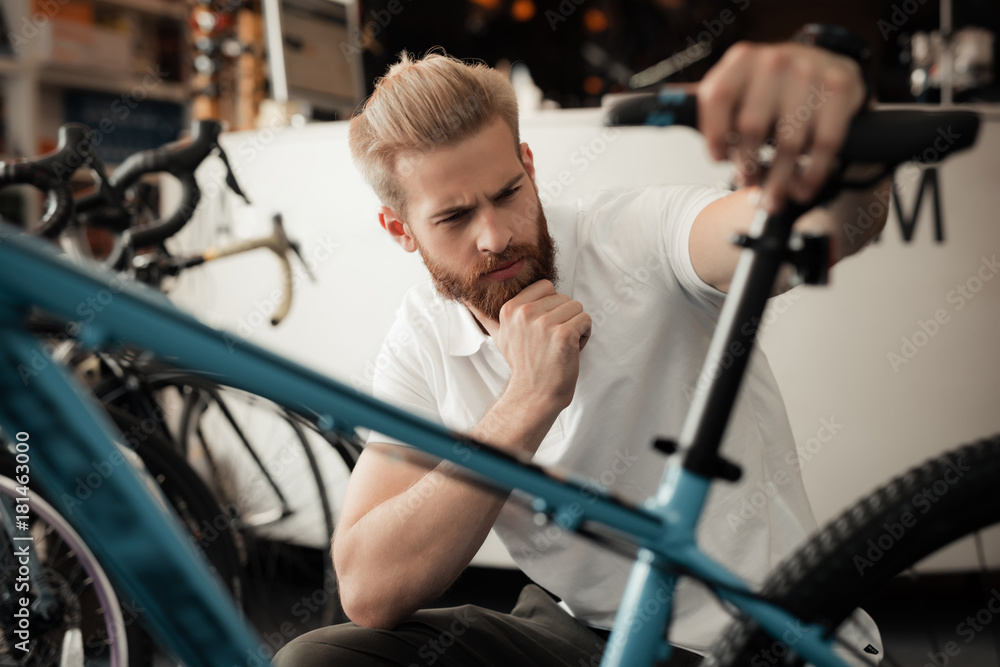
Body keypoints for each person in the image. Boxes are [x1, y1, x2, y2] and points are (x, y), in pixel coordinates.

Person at [273, 37, 888, 667]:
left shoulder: (639, 236)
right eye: (454, 217)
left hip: (762, 642)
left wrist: (838, 149)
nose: (496, 235)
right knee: (320, 661)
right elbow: (370, 589)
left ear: (530, 165)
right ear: (401, 230)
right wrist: (526, 404)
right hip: (587, 636)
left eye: (508, 192)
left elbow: (823, 227)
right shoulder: (422, 337)